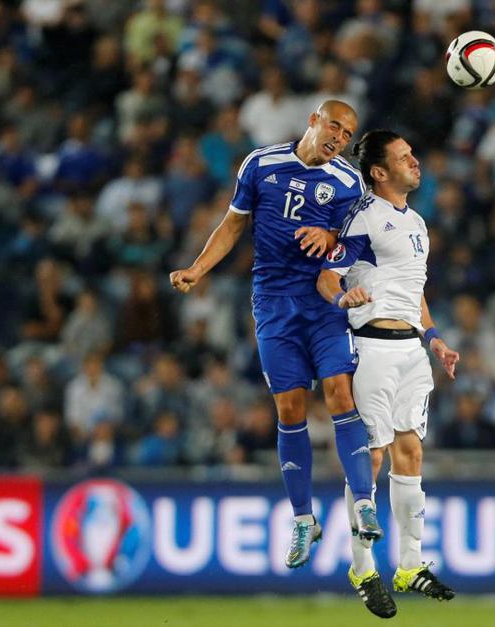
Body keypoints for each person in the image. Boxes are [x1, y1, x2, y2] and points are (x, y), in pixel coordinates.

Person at [169, 100, 380, 570]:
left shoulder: (348, 182)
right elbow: (233, 224)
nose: (339, 139)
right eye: (334, 127)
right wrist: (197, 269)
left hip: (324, 299)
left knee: (339, 392)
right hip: (273, 304)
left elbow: (358, 242)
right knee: (289, 409)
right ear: (313, 120)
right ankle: (304, 518)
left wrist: (332, 239)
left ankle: (364, 502)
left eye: (348, 135)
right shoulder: (261, 164)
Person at [318, 130, 459, 618]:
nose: (414, 161)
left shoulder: (417, 222)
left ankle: (409, 565)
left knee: (411, 451)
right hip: (372, 346)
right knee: (372, 455)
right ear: (379, 172)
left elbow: (413, 291)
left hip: (412, 351)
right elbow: (327, 276)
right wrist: (343, 296)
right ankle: (362, 568)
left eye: (412, 153)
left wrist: (433, 337)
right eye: (403, 157)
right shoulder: (364, 218)